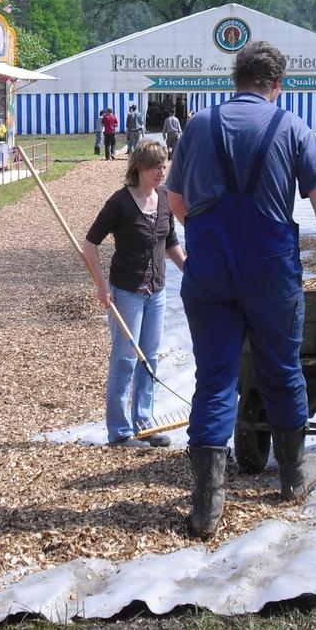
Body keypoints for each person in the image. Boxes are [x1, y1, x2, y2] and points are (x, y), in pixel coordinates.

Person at [166, 41, 316, 539]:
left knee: (216, 376)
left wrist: (210, 232)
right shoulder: (291, 127)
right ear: (277, 85)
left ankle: (207, 505)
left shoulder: (198, 125)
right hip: (270, 271)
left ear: (235, 79)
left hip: (210, 271)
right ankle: (292, 476)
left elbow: (176, 202)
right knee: (281, 368)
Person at [84, 141, 187, 448]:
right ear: (139, 168)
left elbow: (170, 243)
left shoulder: (165, 199)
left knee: (149, 358)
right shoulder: (120, 202)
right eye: (156, 166)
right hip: (126, 292)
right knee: (126, 359)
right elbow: (90, 244)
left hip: (156, 292)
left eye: (164, 165)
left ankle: (144, 423)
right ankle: (118, 431)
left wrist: (190, 271)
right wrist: (102, 286)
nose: (162, 171)